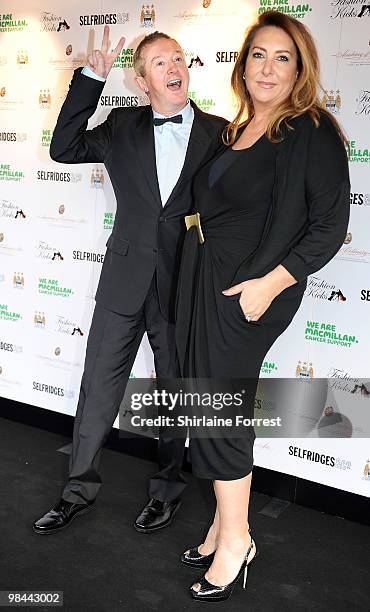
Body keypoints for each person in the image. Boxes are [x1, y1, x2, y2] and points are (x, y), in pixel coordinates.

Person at [175, 11, 350, 602]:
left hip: (251, 290)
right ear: (242, 64)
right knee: (209, 402)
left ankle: (236, 542)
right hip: (208, 282)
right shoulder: (240, 128)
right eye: (257, 55)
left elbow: (328, 228)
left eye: (282, 57)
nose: (267, 67)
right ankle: (223, 524)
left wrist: (267, 285)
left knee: (221, 408)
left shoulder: (310, 129)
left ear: (300, 68)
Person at [32, 27, 227, 535]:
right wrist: (91, 78)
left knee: (174, 394)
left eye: (179, 59)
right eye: (160, 63)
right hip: (122, 279)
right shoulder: (121, 125)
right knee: (98, 388)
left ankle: (167, 491)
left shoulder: (219, 131)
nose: (174, 68)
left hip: (182, 284)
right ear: (142, 82)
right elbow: (63, 148)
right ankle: (77, 491)